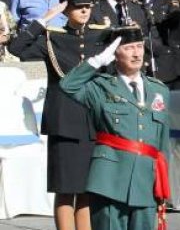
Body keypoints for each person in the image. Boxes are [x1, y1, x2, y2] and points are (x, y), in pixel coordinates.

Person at [8, 0, 109, 230]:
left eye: (87, 6)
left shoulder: (100, 36)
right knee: (66, 189)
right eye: (77, 6)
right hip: (65, 120)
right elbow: (16, 48)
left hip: (93, 120)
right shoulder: (52, 37)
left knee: (87, 189)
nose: (84, 10)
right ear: (66, 8)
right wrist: (43, 20)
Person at [59, 27, 171, 230]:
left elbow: (163, 143)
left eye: (139, 46)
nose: (136, 53)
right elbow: (68, 86)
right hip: (109, 180)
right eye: (128, 48)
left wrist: (163, 183)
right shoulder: (100, 87)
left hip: (146, 181)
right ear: (114, 54)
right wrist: (96, 62)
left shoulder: (159, 90)